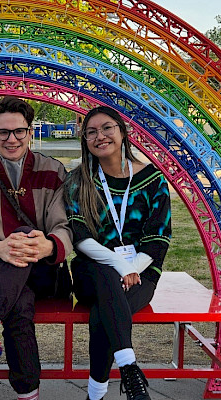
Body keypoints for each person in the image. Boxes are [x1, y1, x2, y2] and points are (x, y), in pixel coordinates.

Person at [0, 96, 72, 400]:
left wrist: (47, 245)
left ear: (30, 131)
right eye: (3, 132)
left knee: (23, 235)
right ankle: (28, 394)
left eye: (19, 131)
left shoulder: (53, 171)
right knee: (18, 308)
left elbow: (64, 226)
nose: (12, 139)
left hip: (43, 271)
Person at [63, 106, 171, 400]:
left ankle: (95, 395)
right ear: (85, 140)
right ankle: (130, 368)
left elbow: (158, 238)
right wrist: (121, 267)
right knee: (105, 279)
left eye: (107, 128)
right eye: (91, 132)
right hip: (92, 272)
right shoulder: (78, 180)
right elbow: (79, 236)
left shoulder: (153, 179)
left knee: (105, 313)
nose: (100, 136)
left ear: (123, 132)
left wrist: (133, 268)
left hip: (142, 273)